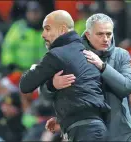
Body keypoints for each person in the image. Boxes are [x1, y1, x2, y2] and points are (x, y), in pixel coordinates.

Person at [19, 10, 111, 141]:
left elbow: (25, 84)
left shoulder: (56, 55)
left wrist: (34, 69)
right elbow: (83, 97)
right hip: (96, 129)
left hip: (84, 132)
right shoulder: (89, 53)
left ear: (62, 30)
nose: (43, 34)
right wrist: (52, 86)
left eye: (47, 29)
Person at [45, 13, 131, 141]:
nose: (105, 39)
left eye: (109, 34)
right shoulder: (71, 55)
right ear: (88, 34)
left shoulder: (121, 55)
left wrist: (103, 67)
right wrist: (52, 84)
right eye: (100, 34)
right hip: (86, 133)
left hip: (119, 134)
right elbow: (45, 92)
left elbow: (128, 86)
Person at [1, 1, 47, 71]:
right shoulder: (18, 27)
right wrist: (10, 63)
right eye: (31, 12)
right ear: (27, 13)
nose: (34, 15)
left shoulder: (48, 28)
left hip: (42, 72)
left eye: (36, 12)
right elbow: (7, 47)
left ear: (41, 13)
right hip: (19, 71)